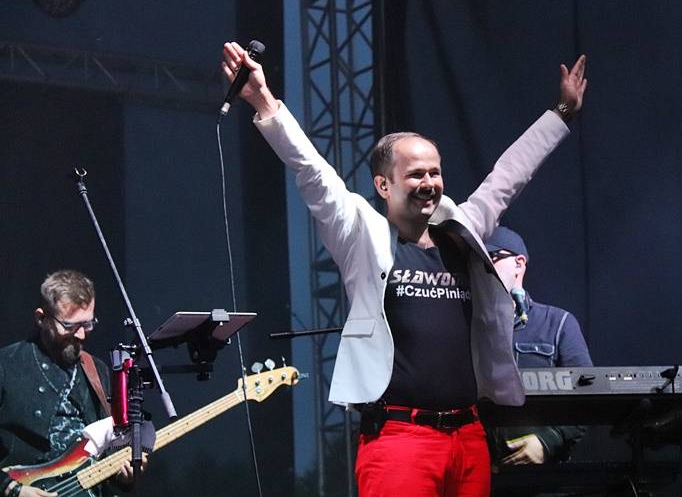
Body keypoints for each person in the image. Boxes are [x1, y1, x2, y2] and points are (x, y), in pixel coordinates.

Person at [221, 41, 587, 497]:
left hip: (468, 436)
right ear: (383, 184)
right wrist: (264, 101)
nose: (429, 183)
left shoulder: (463, 231)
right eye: (416, 174)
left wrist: (561, 113)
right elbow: (311, 170)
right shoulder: (361, 234)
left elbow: (508, 176)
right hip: (400, 438)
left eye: (435, 172)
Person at [0, 270, 138, 497]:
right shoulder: (6, 366)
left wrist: (123, 474)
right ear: (41, 318)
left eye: (88, 324)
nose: (81, 335)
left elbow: (105, 453)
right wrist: (12, 489)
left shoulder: (97, 370)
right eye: (69, 325)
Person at [485, 226, 592, 468]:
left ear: (519, 264)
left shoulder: (558, 323)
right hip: (479, 469)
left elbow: (588, 400)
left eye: (491, 257)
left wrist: (549, 440)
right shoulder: (467, 324)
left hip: (542, 474)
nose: (482, 266)